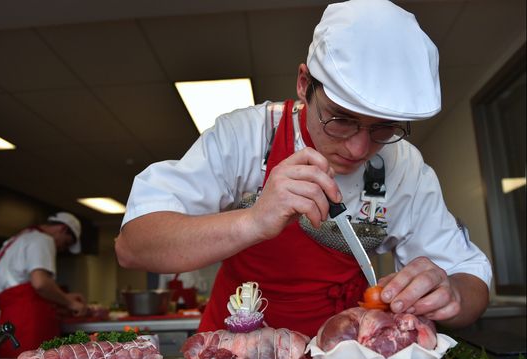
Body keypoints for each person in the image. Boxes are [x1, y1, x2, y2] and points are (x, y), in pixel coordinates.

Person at [114, 0, 492, 337]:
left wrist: (451, 292)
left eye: (382, 128)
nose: (359, 147)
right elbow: (134, 246)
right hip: (236, 356)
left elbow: (470, 278)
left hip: (343, 357)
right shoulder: (250, 136)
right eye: (340, 119)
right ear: (303, 84)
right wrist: (253, 221)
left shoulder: (402, 166)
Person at [0, 212, 88, 357]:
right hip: (29, 322)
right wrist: (71, 303)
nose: (62, 249)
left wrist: (63, 297)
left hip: (10, 320)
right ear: (63, 229)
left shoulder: (20, 239)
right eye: (66, 243)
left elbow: (22, 284)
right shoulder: (43, 240)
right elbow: (41, 284)